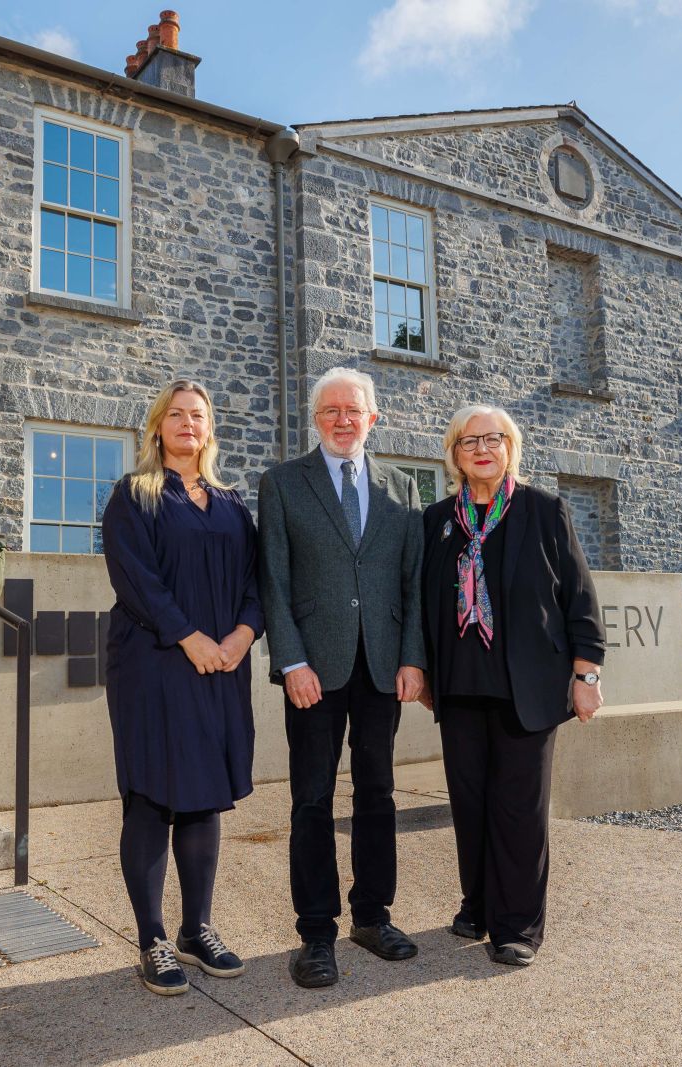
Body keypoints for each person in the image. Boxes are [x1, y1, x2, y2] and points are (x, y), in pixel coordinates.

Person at [418, 404, 606, 967]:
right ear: (454, 453)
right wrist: (423, 671)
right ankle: (476, 905)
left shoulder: (544, 510)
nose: (482, 449)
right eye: (469, 441)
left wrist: (586, 674)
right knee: (469, 805)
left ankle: (518, 926)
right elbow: (421, 604)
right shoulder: (436, 521)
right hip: (458, 687)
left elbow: (580, 598)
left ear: (510, 448)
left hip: (528, 689)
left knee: (519, 811)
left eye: (493, 439)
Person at [258, 366, 426, 989]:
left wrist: (413, 658)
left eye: (353, 410)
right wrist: (291, 661)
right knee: (311, 799)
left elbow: (411, 583)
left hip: (382, 665)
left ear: (372, 418)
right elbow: (273, 579)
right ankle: (316, 932)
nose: (341, 420)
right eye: (329, 410)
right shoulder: (281, 484)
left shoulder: (402, 488)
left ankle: (372, 915)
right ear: (316, 418)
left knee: (378, 794)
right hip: (313, 670)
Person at [101, 378, 264, 996]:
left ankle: (197, 930)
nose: (187, 424)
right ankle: (153, 939)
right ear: (157, 427)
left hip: (224, 664)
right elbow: (134, 578)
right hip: (153, 663)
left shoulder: (229, 503)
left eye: (197, 415)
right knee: (151, 794)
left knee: (202, 794)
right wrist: (189, 637)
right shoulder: (134, 495)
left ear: (209, 427)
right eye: (176, 415)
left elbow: (257, 578)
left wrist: (243, 636)